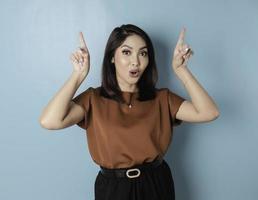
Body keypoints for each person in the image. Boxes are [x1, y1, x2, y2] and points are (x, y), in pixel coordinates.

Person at [39, 24, 219, 200]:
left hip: (156, 184)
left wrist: (182, 71)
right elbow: (50, 121)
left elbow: (209, 112)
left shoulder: (162, 99)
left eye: (143, 53)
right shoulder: (93, 98)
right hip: (113, 188)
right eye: (127, 52)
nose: (136, 61)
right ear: (112, 57)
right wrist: (77, 76)